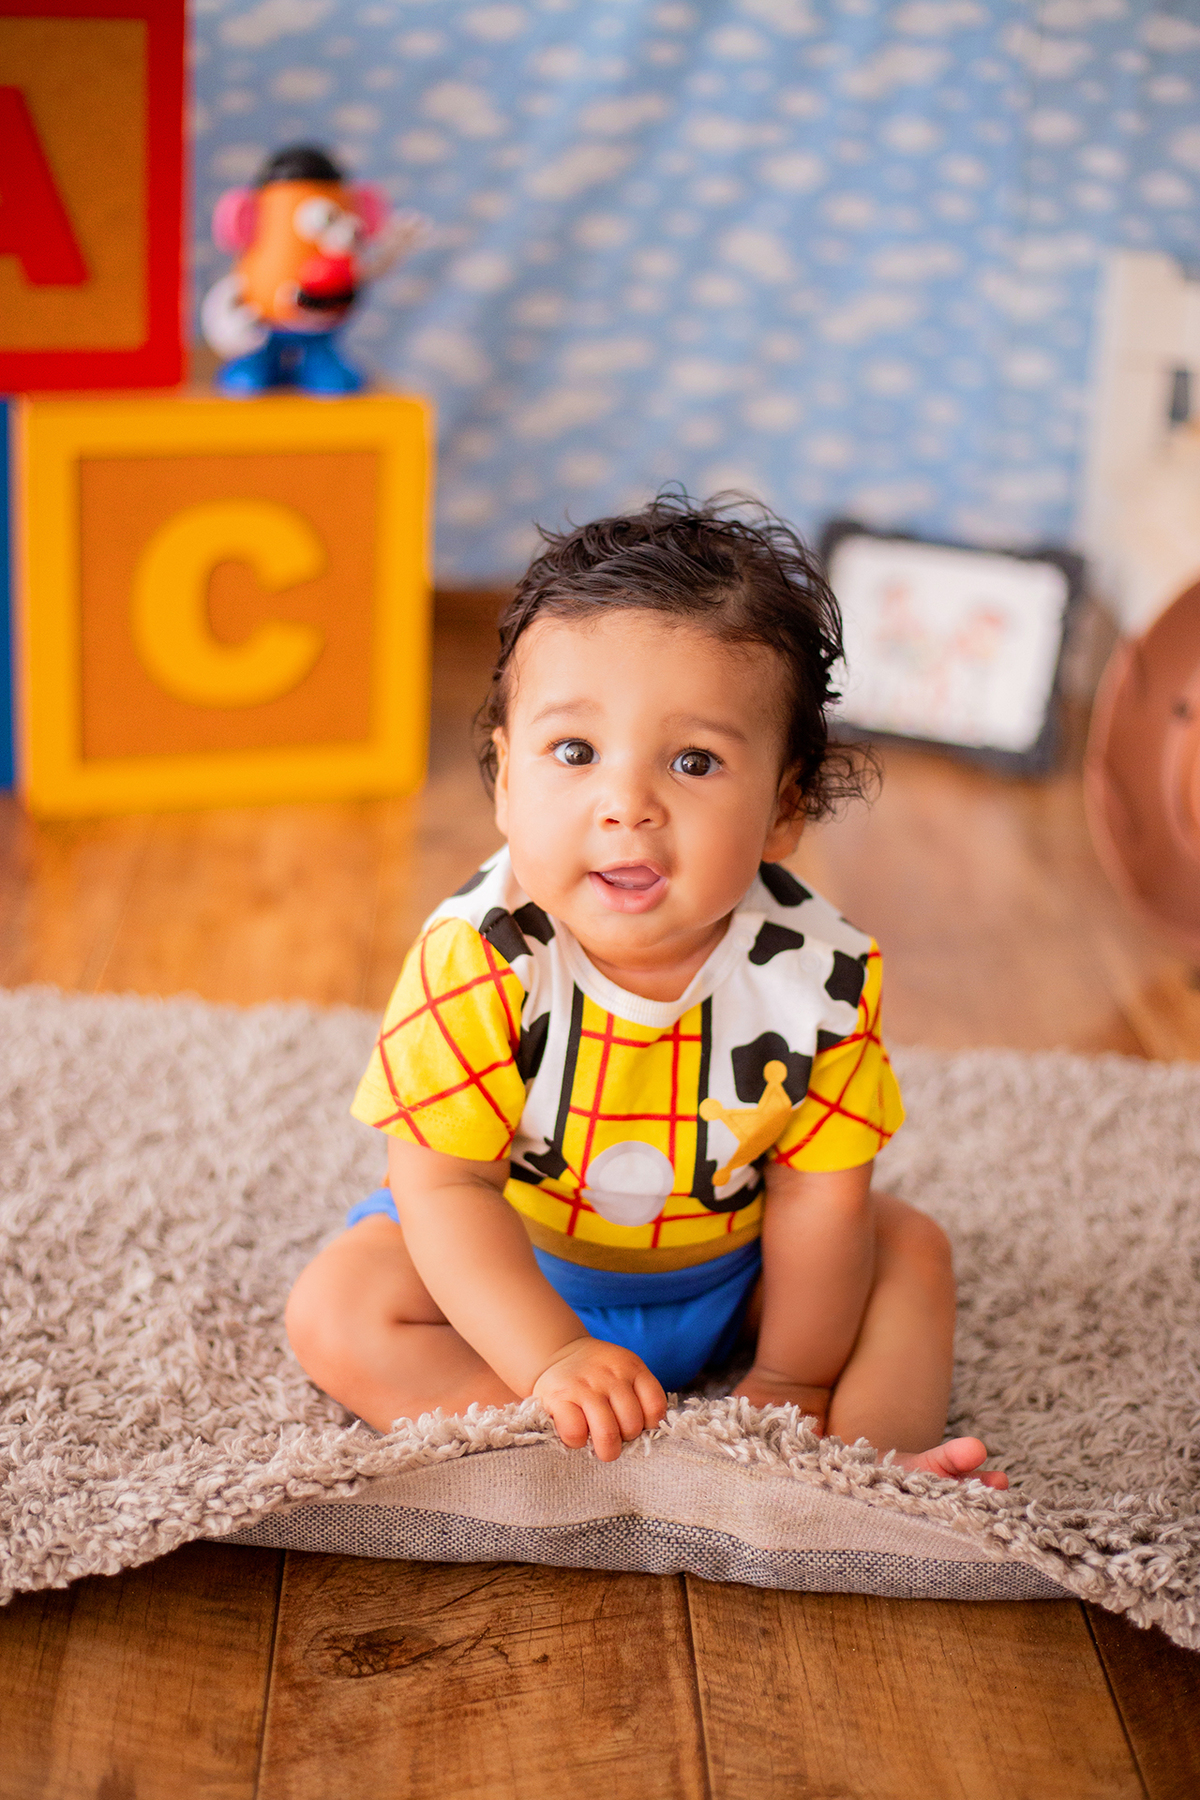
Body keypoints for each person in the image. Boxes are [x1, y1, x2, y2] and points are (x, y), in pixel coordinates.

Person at [286, 492, 1007, 1487]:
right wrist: (550, 1357)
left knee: (910, 1251)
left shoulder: (824, 976)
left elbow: (817, 1199)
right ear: (504, 778)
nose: (627, 805)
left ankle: (865, 1472)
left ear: (784, 809)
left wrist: (794, 1378)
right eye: (574, 753)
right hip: (522, 1263)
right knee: (337, 1307)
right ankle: (581, 1451)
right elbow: (445, 1186)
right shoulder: (480, 956)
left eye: (694, 761)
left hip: (734, 1268)